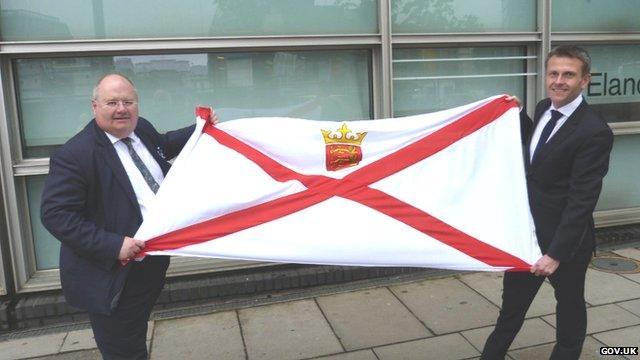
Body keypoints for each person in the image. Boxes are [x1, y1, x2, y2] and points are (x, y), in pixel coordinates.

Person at [41, 73, 217, 359]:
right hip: (112, 273)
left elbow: (163, 144)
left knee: (134, 330)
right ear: (95, 106)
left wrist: (201, 129)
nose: (121, 108)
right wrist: (113, 244)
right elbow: (56, 215)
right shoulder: (75, 155)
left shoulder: (141, 129)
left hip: (150, 263)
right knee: (122, 348)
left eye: (128, 101)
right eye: (112, 102)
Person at [481, 46, 614, 359]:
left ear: (585, 81)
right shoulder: (543, 107)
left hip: (565, 244)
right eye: (553, 73)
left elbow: (583, 199)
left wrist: (555, 253)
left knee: (569, 307)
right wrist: (517, 115)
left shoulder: (595, 132)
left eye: (568, 74)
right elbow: (538, 153)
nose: (559, 81)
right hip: (526, 235)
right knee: (511, 309)